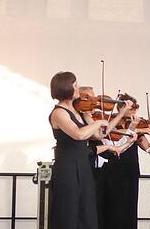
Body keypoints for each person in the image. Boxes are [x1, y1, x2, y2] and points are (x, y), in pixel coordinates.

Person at [101, 93, 150, 229]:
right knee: (114, 210)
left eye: (136, 107)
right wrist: (138, 128)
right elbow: (117, 137)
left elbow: (149, 148)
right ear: (121, 108)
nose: (135, 110)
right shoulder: (112, 124)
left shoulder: (136, 128)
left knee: (130, 210)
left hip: (131, 171)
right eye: (131, 107)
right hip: (113, 172)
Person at [48, 71, 108, 229]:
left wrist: (93, 118)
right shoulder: (58, 113)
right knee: (68, 211)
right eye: (75, 85)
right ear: (66, 87)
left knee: (86, 212)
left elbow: (97, 134)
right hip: (67, 167)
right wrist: (98, 122)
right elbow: (79, 134)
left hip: (82, 165)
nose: (78, 88)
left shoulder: (79, 111)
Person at [76, 86, 134, 229]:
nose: (95, 102)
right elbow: (96, 135)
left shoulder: (87, 116)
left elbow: (102, 132)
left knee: (97, 205)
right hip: (84, 160)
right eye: (91, 98)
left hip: (95, 162)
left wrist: (120, 113)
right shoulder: (79, 115)